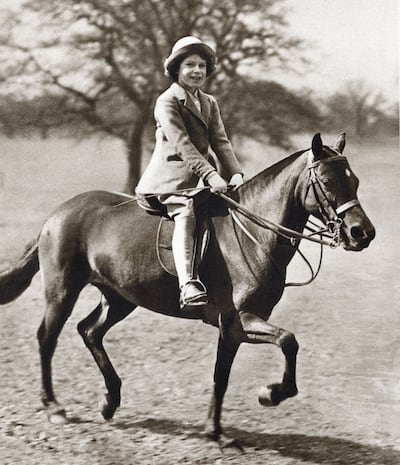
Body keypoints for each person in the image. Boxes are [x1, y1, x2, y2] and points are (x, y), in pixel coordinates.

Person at [135, 36, 243, 308]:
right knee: (185, 213)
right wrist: (212, 175)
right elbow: (183, 145)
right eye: (189, 65)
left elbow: (220, 141)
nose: (197, 71)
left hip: (202, 179)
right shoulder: (167, 101)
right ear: (176, 69)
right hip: (169, 182)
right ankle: (188, 284)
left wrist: (235, 173)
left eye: (202, 66)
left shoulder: (209, 102)